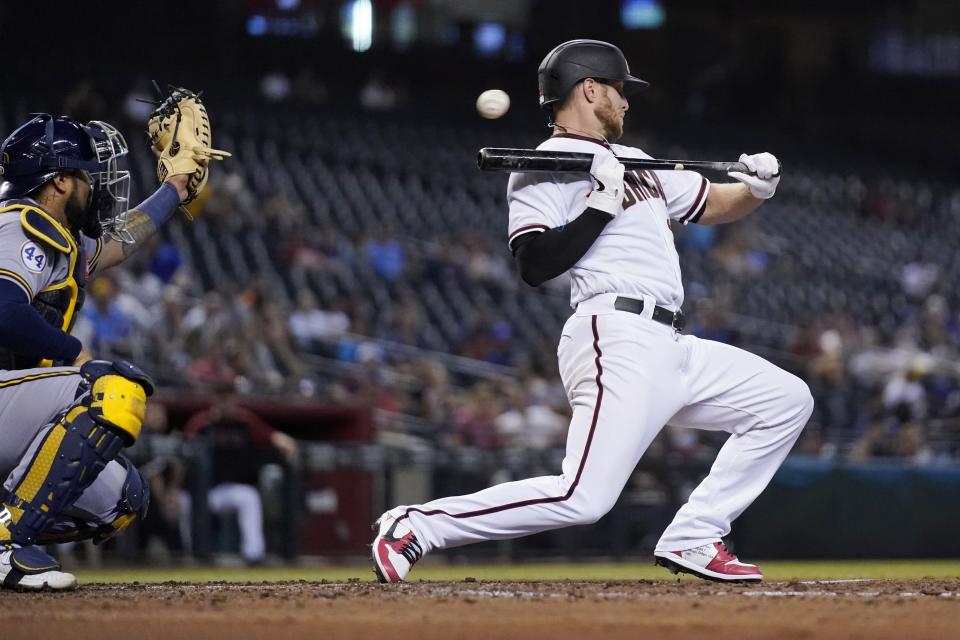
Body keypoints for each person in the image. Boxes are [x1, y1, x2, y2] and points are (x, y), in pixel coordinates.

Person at [372, 39, 812, 584]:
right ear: (589, 89)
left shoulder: (636, 161)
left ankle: (696, 535)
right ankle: (418, 524)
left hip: (675, 342)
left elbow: (712, 203)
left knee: (786, 401)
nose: (626, 102)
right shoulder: (545, 166)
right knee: (582, 497)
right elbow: (535, 263)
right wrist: (598, 209)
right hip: (616, 333)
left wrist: (755, 190)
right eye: (619, 91)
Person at [0, 112, 204, 589]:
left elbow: (119, 242)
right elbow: (3, 310)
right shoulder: (21, 225)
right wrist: (76, 354)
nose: (95, 185)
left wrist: (175, 188)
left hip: (9, 406)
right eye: (85, 175)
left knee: (123, 496)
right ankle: (4, 546)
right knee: (112, 388)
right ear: (59, 182)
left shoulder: (55, 235)